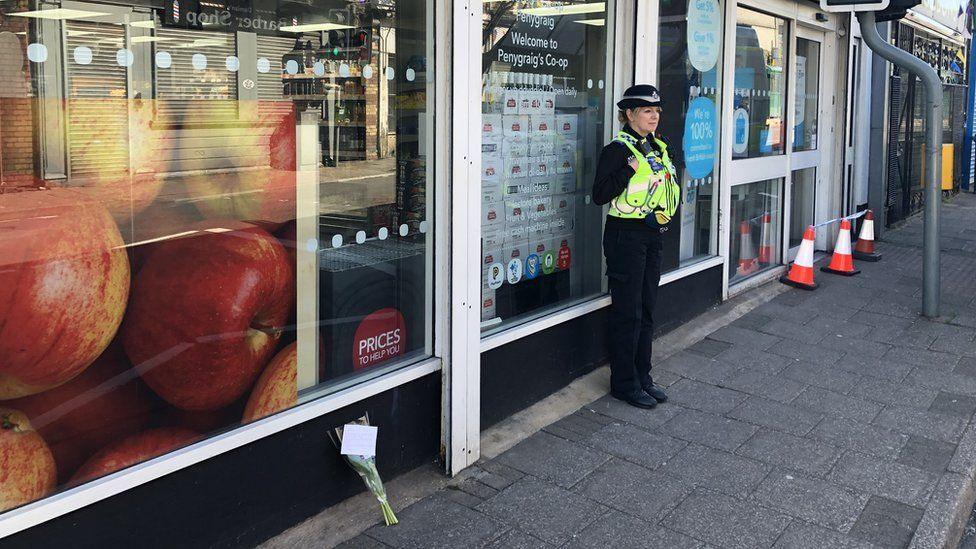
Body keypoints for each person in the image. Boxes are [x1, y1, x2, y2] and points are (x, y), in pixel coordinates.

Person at [592, 84, 680, 409]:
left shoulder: (659, 146)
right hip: (624, 237)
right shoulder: (618, 149)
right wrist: (627, 170)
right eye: (647, 110)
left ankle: (644, 376)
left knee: (646, 309)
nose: (654, 116)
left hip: (651, 235)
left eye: (657, 110)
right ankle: (624, 384)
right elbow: (599, 195)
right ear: (629, 114)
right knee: (627, 312)